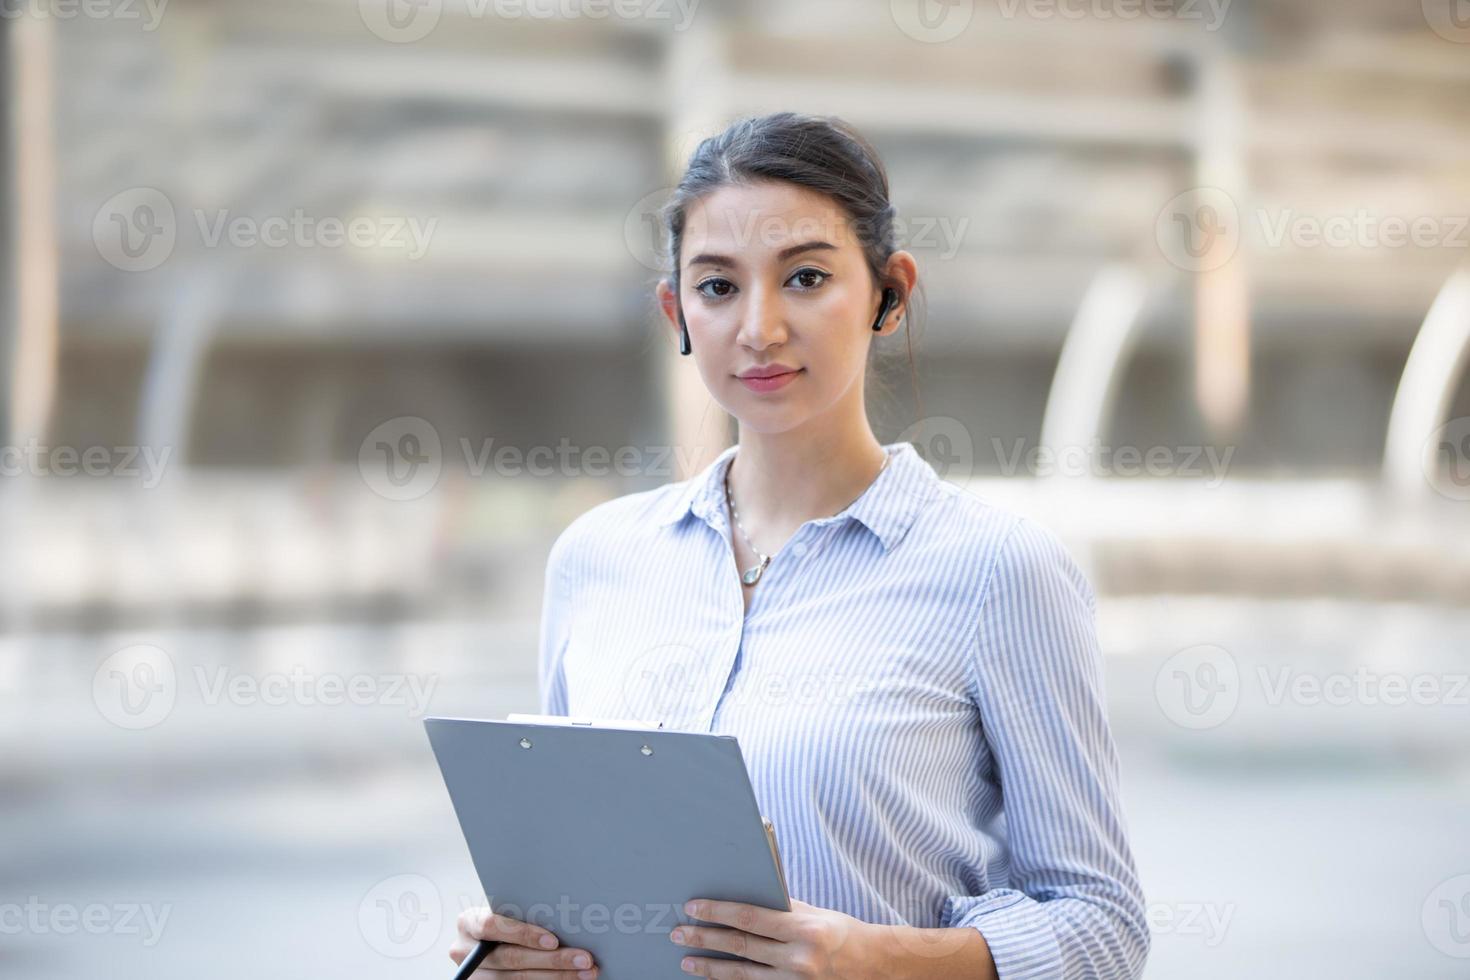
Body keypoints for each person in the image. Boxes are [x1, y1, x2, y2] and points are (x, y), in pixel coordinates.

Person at [451, 111, 1149, 980]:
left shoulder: (998, 572)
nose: (760, 328)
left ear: (888, 294)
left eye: (806, 277)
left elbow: (1104, 929)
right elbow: (568, 871)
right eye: (718, 287)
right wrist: (525, 952)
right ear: (676, 311)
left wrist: (877, 959)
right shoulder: (597, 558)